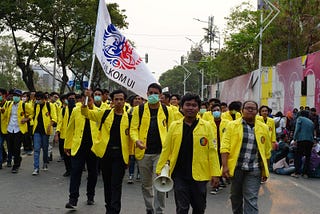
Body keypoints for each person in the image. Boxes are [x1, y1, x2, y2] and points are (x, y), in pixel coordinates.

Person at [156, 93, 220, 214]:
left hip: (200, 174)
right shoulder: (174, 126)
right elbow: (166, 149)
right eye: (188, 105)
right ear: (182, 107)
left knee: (199, 208)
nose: (191, 108)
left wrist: (216, 173)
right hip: (179, 174)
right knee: (182, 208)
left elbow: (212, 151)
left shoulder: (207, 126)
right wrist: (160, 168)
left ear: (199, 108)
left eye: (194, 105)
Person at [82, 89, 130, 214]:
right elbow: (88, 114)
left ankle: (114, 210)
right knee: (107, 183)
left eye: (121, 99)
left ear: (124, 101)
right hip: (105, 154)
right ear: (112, 101)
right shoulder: (105, 113)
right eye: (116, 99)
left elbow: (131, 138)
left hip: (120, 156)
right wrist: (85, 101)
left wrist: (130, 156)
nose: (119, 102)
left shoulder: (129, 118)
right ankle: (108, 207)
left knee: (116, 184)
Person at [130, 83, 173, 214]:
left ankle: (159, 210)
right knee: (146, 184)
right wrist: (136, 140)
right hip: (143, 153)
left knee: (160, 183)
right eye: (150, 93)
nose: (152, 95)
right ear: (147, 94)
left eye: (155, 93)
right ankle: (149, 208)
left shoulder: (167, 110)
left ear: (160, 95)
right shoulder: (139, 110)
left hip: (161, 154)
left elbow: (172, 130)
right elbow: (133, 129)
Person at [221, 101, 271, 214]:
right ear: (242, 110)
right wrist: (225, 166)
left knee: (251, 199)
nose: (250, 110)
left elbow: (266, 152)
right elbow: (225, 147)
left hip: (254, 170)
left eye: (253, 108)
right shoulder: (232, 125)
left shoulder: (264, 128)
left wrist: (265, 170)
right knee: (235, 198)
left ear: (257, 112)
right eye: (247, 108)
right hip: (236, 168)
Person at [64, 91, 100, 209]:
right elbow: (70, 128)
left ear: (93, 100)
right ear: (82, 99)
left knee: (93, 172)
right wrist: (67, 145)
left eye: (90, 99)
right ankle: (73, 199)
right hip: (78, 146)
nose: (87, 101)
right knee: (76, 171)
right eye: (85, 98)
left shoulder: (98, 112)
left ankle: (90, 196)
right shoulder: (76, 110)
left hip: (93, 147)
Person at [3, 89, 33, 173]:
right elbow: (5, 114)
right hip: (9, 128)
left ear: (20, 97)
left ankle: (16, 166)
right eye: (14, 95)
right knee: (10, 148)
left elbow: (32, 113)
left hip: (19, 129)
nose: (15, 97)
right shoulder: (9, 104)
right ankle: (18, 158)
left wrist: (26, 119)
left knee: (16, 148)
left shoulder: (24, 105)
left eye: (17, 95)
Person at [202, 103, 228, 194]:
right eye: (214, 111)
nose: (216, 112)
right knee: (215, 166)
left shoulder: (227, 123)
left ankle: (220, 181)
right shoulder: (208, 124)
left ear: (221, 111)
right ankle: (216, 185)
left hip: (224, 149)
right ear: (211, 112)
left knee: (221, 165)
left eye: (218, 110)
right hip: (213, 148)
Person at [32, 91, 57, 175]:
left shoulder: (50, 106)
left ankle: (45, 163)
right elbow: (32, 115)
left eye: (39, 99)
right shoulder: (36, 106)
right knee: (36, 149)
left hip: (46, 131)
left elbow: (54, 118)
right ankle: (36, 168)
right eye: (36, 99)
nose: (37, 101)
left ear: (43, 99)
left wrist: (50, 125)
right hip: (36, 131)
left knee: (45, 148)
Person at [55, 92, 76, 177]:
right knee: (66, 155)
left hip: (75, 135)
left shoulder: (78, 109)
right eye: (70, 99)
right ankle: (68, 170)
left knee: (74, 154)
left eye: (73, 99)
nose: (71, 100)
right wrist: (57, 133)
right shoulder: (63, 110)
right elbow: (60, 122)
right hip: (65, 135)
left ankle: (75, 170)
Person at [291, 110, 314, 178]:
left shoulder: (300, 119)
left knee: (298, 156)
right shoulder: (311, 122)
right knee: (307, 157)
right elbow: (313, 132)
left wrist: (295, 138)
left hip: (302, 139)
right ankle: (305, 174)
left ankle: (297, 172)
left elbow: (297, 129)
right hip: (310, 140)